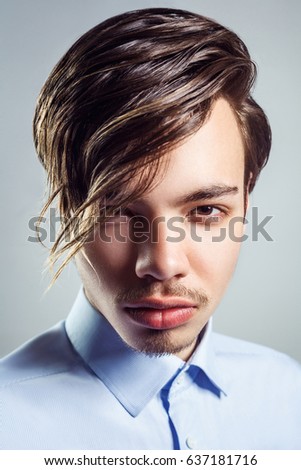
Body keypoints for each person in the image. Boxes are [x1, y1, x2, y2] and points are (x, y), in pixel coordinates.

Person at [1, 7, 300, 450]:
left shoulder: (289, 394)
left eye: (205, 211)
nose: (161, 263)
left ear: (245, 205)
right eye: (116, 213)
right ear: (66, 209)